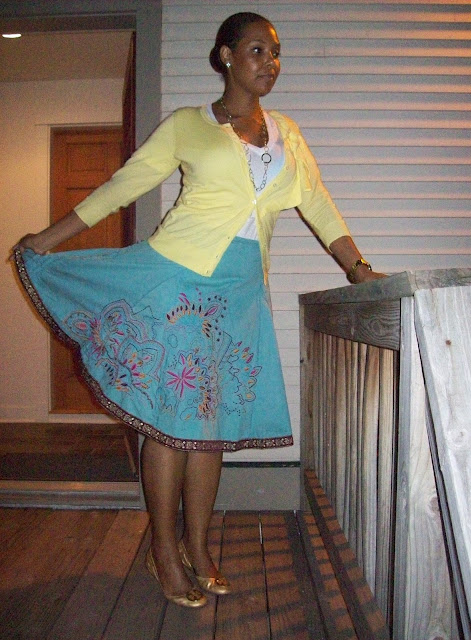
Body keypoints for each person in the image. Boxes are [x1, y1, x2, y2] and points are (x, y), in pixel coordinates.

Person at [12, 12, 384, 608]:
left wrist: (358, 268)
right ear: (226, 57)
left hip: (240, 293)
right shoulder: (188, 125)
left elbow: (318, 203)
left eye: (276, 53)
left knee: (209, 428)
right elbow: (125, 184)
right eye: (257, 50)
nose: (270, 62)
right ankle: (164, 550)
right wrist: (47, 239)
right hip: (176, 280)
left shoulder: (287, 134)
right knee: (171, 419)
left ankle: (198, 546)